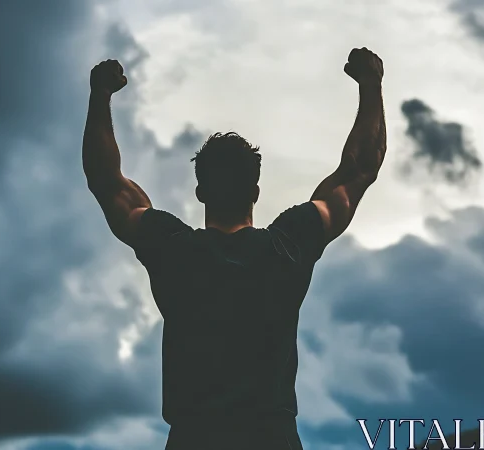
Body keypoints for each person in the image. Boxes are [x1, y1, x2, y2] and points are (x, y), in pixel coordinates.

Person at [82, 47, 386, 450]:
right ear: (256, 191)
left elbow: (106, 181)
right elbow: (360, 170)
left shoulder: (172, 249)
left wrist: (100, 95)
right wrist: (371, 85)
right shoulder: (289, 244)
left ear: (200, 191)